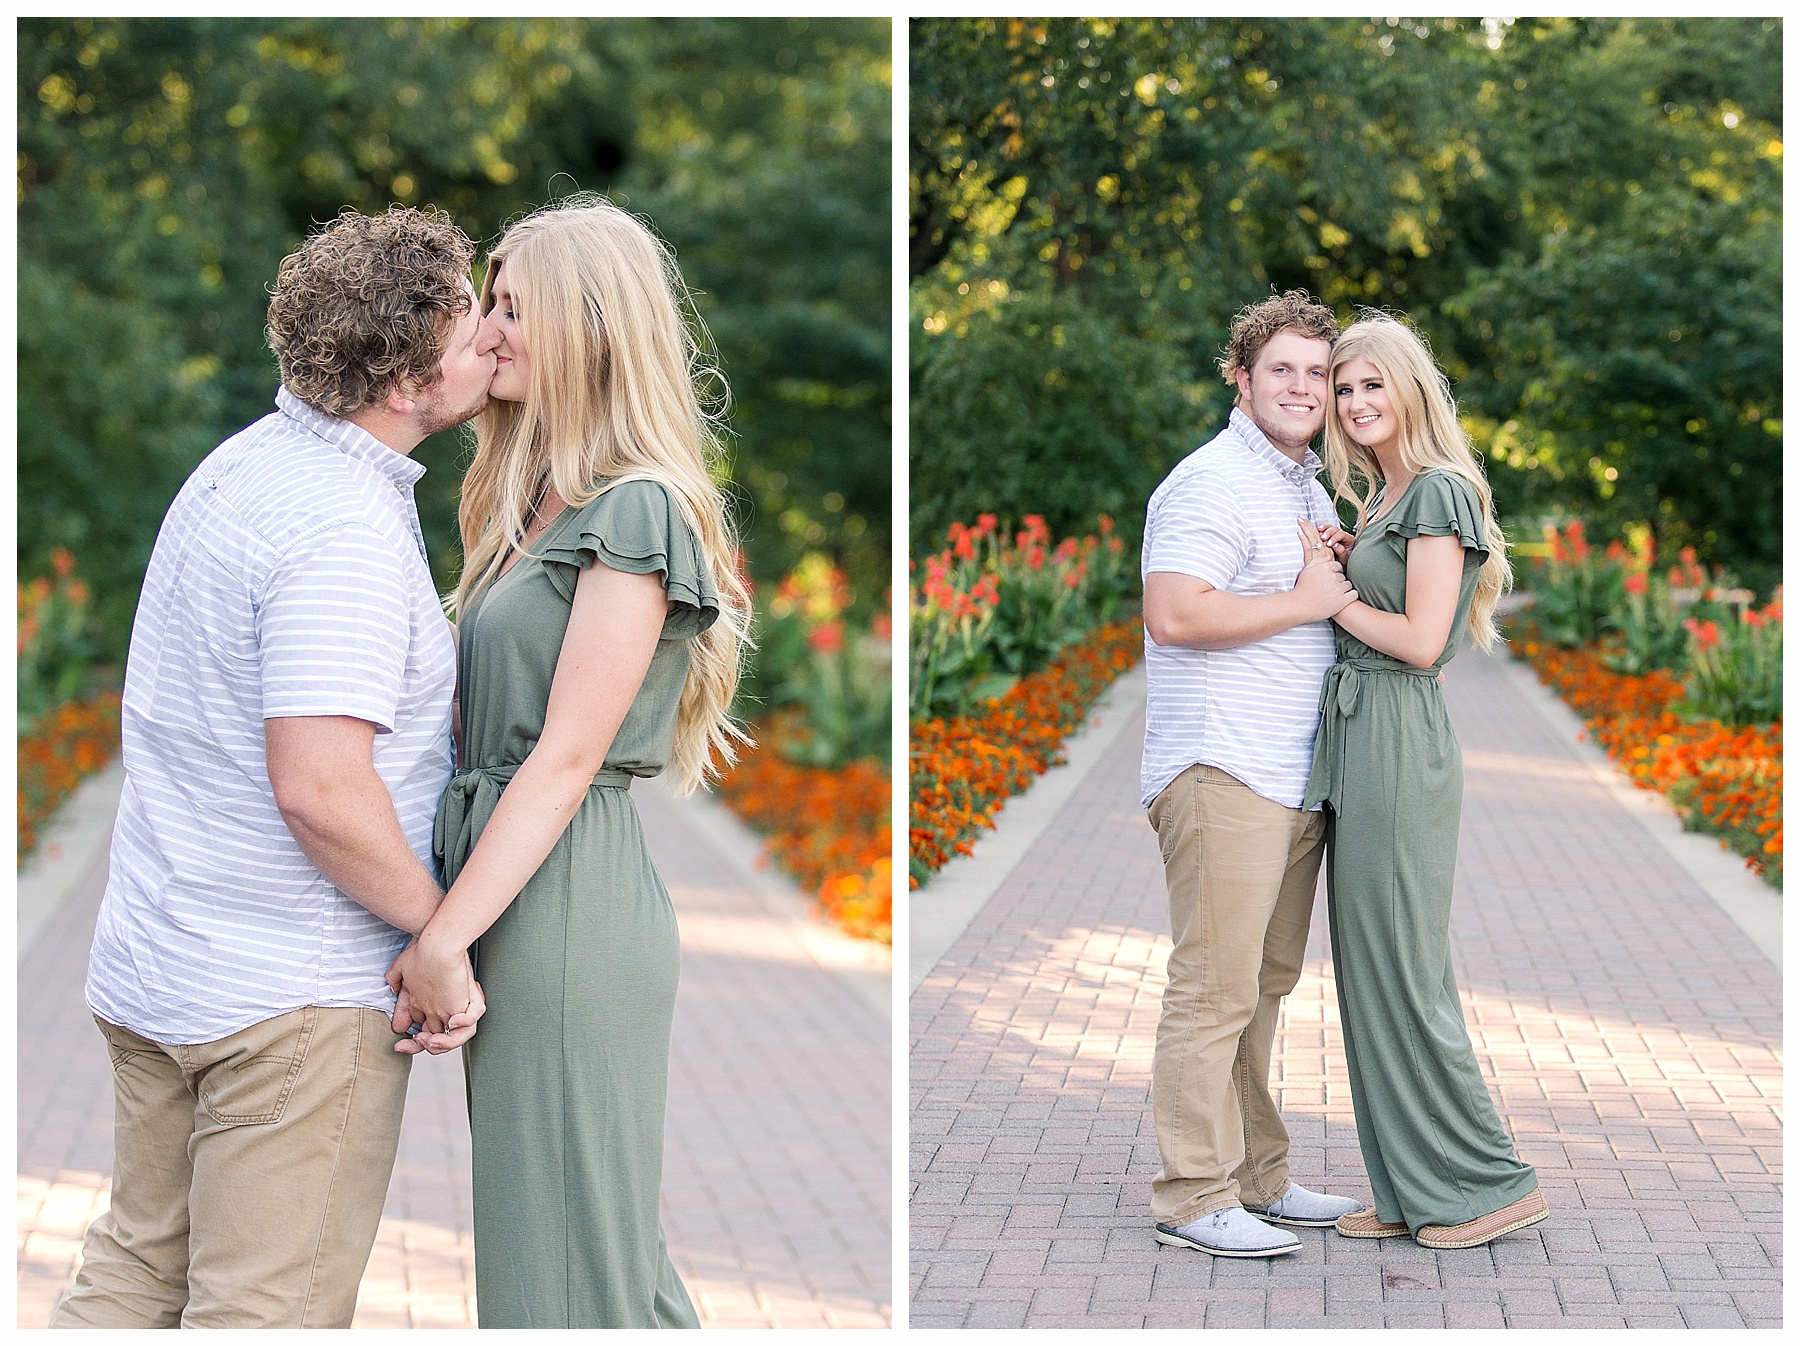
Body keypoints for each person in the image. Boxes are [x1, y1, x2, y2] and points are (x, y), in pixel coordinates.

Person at [51, 206, 496, 1328]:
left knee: (135, 1273)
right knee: (266, 1314)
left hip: (165, 965)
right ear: (402, 380)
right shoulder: (339, 525)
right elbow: (320, 788)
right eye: (469, 320)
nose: (492, 335)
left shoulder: (240, 468)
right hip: (283, 1006)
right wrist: (439, 934)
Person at [384, 197, 752, 1328]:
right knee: (593, 1257)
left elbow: (568, 750)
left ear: (590, 328)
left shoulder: (635, 509)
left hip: (569, 898)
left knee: (570, 1264)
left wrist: (441, 936)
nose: (485, 329)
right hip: (517, 885)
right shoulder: (523, 502)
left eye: (510, 307)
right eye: (488, 303)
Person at [1299, 312, 1547, 1249]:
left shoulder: (1438, 491)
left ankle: (1487, 1184)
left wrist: (1338, 597)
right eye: (1345, 388)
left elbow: (1419, 642)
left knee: (1405, 968)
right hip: (1361, 739)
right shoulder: (1381, 497)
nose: (1357, 403)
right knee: (1368, 974)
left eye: (1373, 385)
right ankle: (1410, 1187)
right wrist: (1342, 565)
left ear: (1409, 388)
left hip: (1399, 737)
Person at [1139, 290, 1366, 1259]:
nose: (1303, 387)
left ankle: (1259, 1176)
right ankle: (1194, 1195)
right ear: (1240, 377)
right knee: (1214, 987)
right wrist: (1302, 594)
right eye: (1283, 368)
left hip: (1288, 775)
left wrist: (1326, 571)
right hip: (1221, 764)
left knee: (1262, 986)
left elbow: (1298, 595)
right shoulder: (1209, 481)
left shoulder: (1301, 485)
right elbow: (1176, 613)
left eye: (1318, 373)